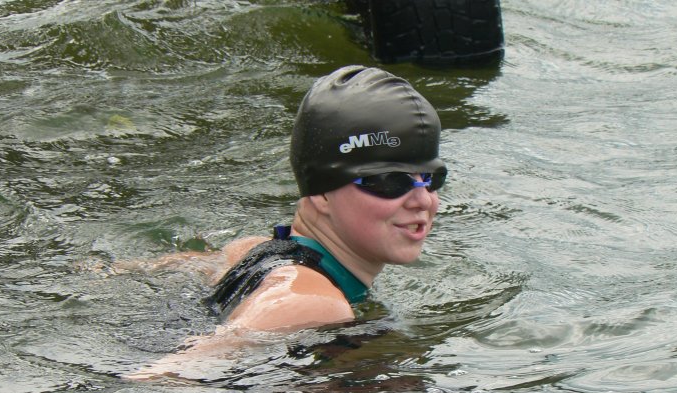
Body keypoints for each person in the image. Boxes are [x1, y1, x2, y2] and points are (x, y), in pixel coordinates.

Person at [127, 65, 447, 375]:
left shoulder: (251, 250)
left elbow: (145, 270)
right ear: (322, 192)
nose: (423, 200)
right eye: (391, 181)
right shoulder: (310, 303)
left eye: (431, 179)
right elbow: (162, 380)